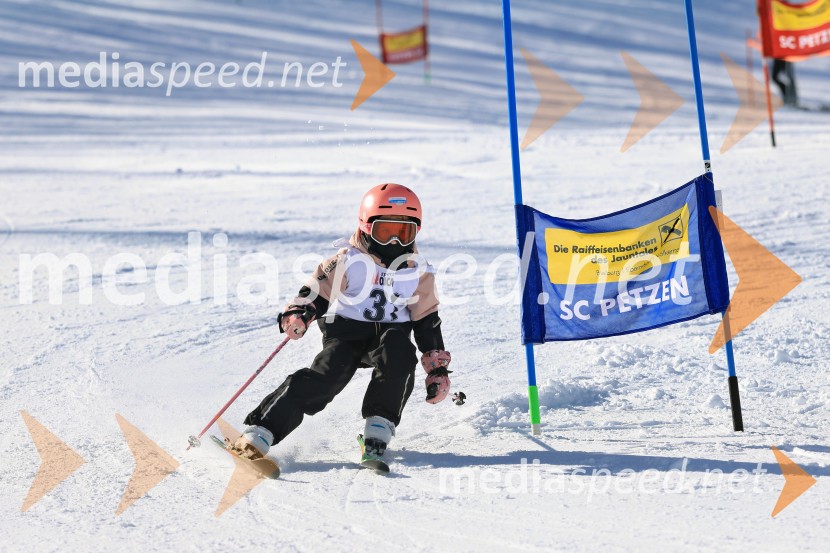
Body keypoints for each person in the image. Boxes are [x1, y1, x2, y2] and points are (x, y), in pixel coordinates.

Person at [231, 183, 452, 464]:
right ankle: (260, 431)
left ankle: (379, 428)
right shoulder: (349, 260)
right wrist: (302, 311)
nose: (394, 243)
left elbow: (426, 319)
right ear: (366, 227)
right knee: (325, 377)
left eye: (403, 233)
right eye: (385, 232)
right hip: (346, 334)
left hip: (391, 336)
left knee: (399, 352)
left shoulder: (417, 272)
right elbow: (318, 289)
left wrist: (437, 367)